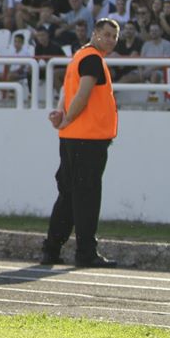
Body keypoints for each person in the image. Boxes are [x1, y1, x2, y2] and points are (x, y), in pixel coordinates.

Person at [41, 18, 120, 268]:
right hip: (88, 139)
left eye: (113, 36)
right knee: (86, 197)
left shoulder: (80, 56)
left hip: (72, 138)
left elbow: (68, 92)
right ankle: (86, 252)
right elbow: (83, 94)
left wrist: (61, 115)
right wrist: (66, 119)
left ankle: (51, 249)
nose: (110, 40)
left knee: (68, 195)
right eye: (106, 34)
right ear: (95, 34)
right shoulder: (93, 58)